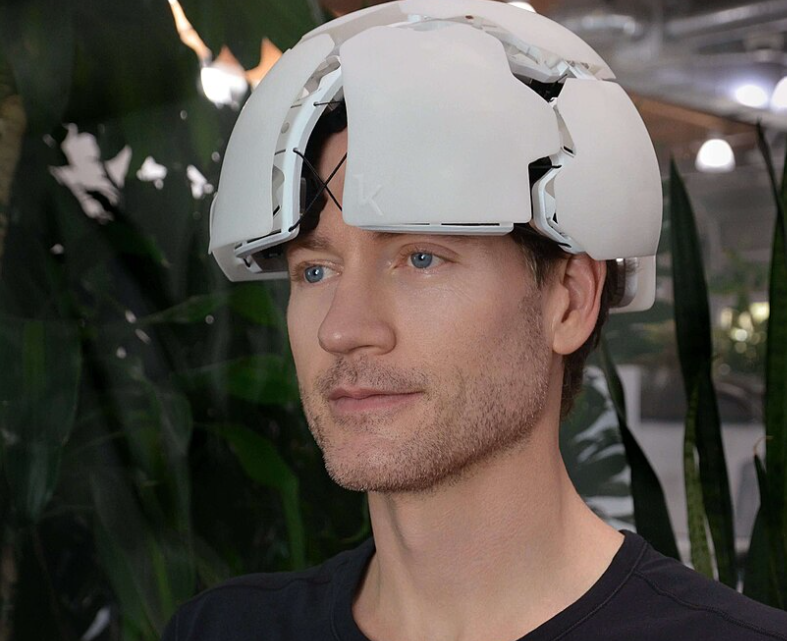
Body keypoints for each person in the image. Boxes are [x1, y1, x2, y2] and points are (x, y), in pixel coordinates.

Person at [163, 1, 787, 639]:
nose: (341, 330)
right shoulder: (222, 630)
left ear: (570, 300)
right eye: (315, 271)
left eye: (421, 258)